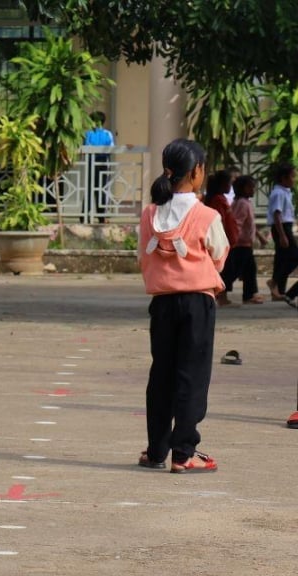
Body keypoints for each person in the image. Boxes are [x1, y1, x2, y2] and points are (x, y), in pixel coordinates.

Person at [136, 139, 228, 474]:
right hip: (197, 302)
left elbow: (141, 257)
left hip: (162, 303)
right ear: (197, 171)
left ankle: (156, 451)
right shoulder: (206, 215)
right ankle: (183, 453)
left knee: (162, 374)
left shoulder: (150, 213)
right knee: (192, 377)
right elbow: (219, 255)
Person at [219, 174, 267, 305]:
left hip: (245, 243)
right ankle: (221, 292)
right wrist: (233, 240)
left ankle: (249, 295)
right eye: (251, 187)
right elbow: (238, 223)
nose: (253, 190)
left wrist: (260, 237)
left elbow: (249, 224)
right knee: (234, 270)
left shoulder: (244, 203)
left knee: (250, 269)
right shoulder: (242, 204)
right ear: (244, 189)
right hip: (240, 244)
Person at [203, 170, 239, 306]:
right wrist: (222, 237)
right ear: (222, 184)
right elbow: (220, 220)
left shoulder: (220, 198)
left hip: (229, 239)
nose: (230, 187)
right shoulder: (217, 200)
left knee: (229, 268)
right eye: (229, 183)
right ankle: (221, 296)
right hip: (224, 239)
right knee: (226, 269)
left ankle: (222, 295)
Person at [266, 162, 298, 306]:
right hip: (282, 227)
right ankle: (274, 281)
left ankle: (278, 290)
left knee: (282, 259)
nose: (294, 179)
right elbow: (277, 214)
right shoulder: (278, 193)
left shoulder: (285, 192)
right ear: (284, 178)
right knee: (294, 257)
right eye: (292, 176)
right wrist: (282, 235)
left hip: (286, 226)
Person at [84, 111, 116, 222]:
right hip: (101, 163)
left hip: (94, 162)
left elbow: (86, 147)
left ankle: (86, 215)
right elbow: (111, 148)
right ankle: (100, 216)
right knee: (101, 189)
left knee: (91, 188)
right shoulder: (107, 134)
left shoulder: (89, 134)